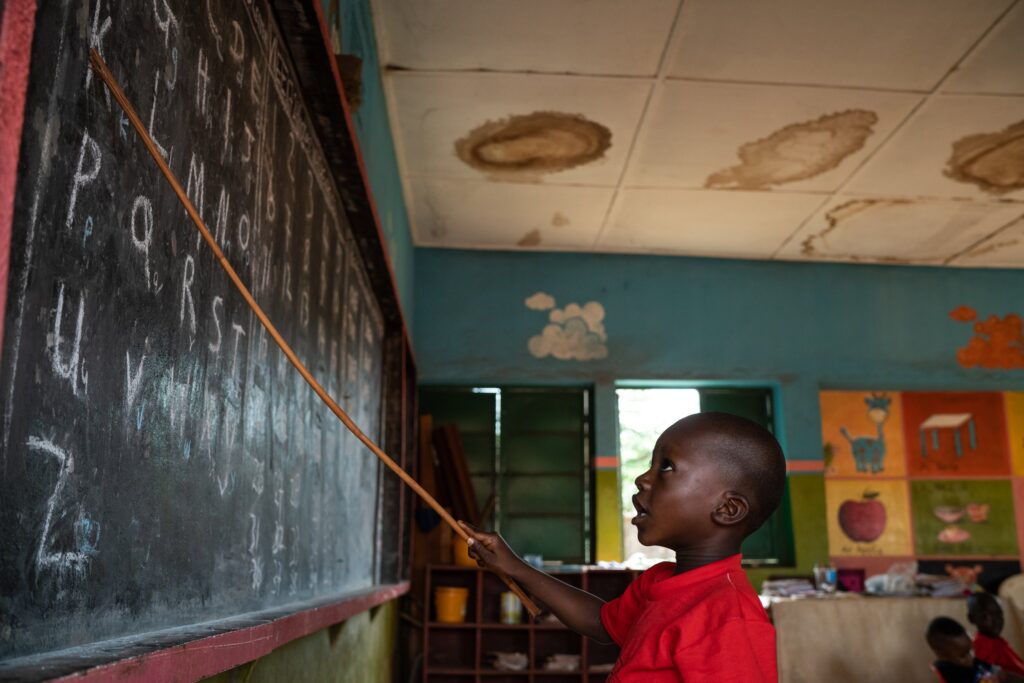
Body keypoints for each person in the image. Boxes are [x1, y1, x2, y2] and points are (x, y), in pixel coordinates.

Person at [460, 412, 786, 682]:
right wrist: (515, 566)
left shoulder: (729, 619)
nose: (642, 479)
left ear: (728, 509)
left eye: (666, 467)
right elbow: (601, 623)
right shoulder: (660, 581)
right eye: (650, 464)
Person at [926, 616, 1024, 683]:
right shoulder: (945, 671)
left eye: (971, 649)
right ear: (942, 655)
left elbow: (1001, 673)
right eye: (963, 655)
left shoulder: (974, 662)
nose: (971, 656)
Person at [969, 592, 1024, 676]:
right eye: (985, 616)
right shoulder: (981, 650)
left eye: (999, 614)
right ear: (972, 618)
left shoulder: (997, 641)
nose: (995, 620)